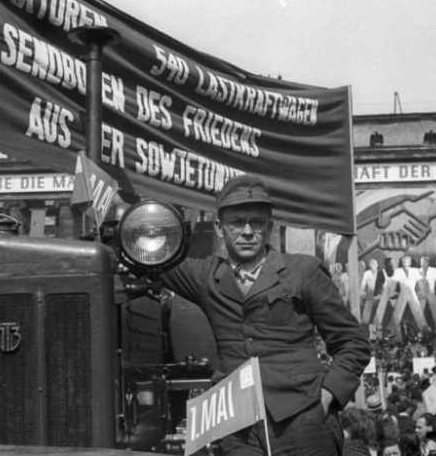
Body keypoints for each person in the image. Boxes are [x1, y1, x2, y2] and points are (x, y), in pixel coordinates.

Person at [158, 174, 371, 456]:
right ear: (220, 228)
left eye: (256, 223)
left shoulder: (302, 272)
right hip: (240, 428)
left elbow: (353, 342)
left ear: (269, 228)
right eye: (237, 222)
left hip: (303, 419)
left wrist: (327, 396)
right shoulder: (206, 276)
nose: (247, 231)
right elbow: (152, 259)